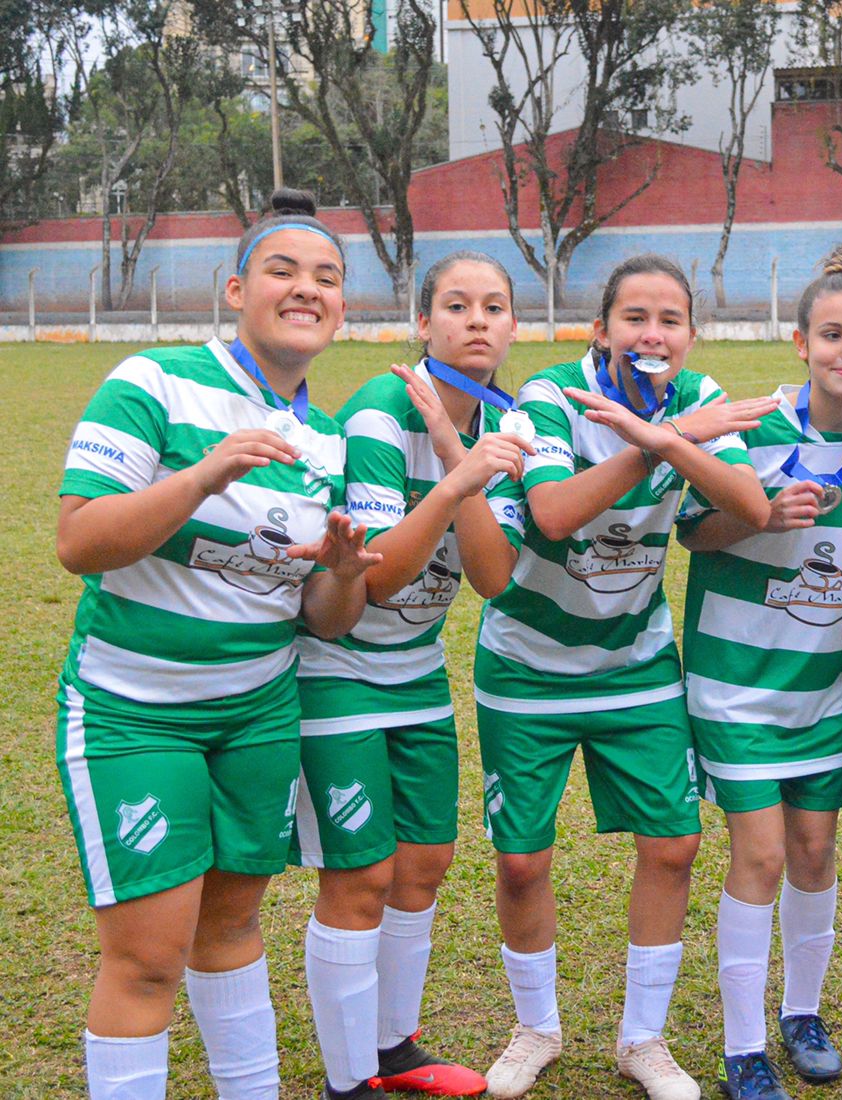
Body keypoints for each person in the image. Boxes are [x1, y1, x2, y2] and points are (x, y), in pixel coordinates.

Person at [55, 187, 380, 1099]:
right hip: (137, 714)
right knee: (150, 960)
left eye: (327, 277)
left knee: (233, 932)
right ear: (235, 290)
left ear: (343, 306)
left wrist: (347, 572)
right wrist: (202, 474)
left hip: (259, 714)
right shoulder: (151, 381)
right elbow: (81, 542)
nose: (306, 288)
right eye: (283, 270)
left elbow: (320, 616)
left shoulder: (327, 441)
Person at [475, 253, 779, 1100]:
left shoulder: (698, 395)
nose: (652, 334)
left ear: (689, 334)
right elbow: (553, 512)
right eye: (634, 318)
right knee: (523, 862)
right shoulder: (549, 398)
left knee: (674, 844)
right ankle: (535, 1026)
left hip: (636, 665)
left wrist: (676, 434)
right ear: (600, 329)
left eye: (670, 320)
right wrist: (663, 447)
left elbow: (750, 508)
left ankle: (642, 1040)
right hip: (527, 667)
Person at [292, 252, 539, 1099]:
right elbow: (376, 578)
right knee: (360, 873)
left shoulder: (508, 424)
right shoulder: (374, 413)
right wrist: (456, 477)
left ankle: (393, 1047)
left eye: (495, 307)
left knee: (426, 858)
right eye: (457, 305)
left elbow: (494, 576)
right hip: (338, 667)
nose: (478, 320)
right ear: (424, 323)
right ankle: (346, 1079)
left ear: (514, 326)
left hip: (417, 673)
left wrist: (457, 450)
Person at [676, 243, 842, 1100]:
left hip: (820, 682)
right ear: (799, 342)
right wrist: (757, 516)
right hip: (732, 681)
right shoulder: (754, 427)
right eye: (833, 334)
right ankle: (740, 1045)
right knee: (759, 855)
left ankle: (802, 1014)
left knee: (814, 849)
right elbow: (692, 532)